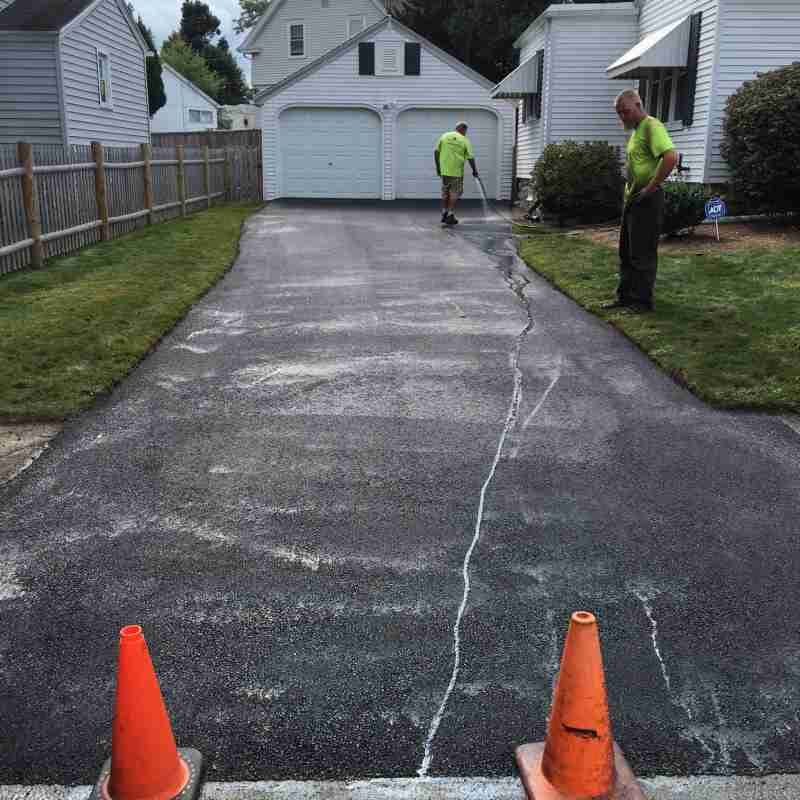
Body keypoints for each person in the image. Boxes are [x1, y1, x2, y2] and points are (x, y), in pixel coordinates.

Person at [604, 89, 678, 312]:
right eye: (619, 113)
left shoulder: (651, 126)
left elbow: (671, 156)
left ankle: (642, 301)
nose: (622, 117)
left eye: (625, 111)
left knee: (642, 253)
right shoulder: (637, 131)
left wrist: (650, 188)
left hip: (647, 199)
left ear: (638, 105)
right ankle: (625, 297)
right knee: (627, 252)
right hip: (634, 198)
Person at [434, 122, 479, 226]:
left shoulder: (444, 136)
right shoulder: (464, 140)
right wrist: (474, 170)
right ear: (463, 129)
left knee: (446, 191)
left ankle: (444, 211)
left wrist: (438, 167)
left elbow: (436, 152)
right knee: (455, 192)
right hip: (457, 172)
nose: (465, 133)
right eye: (465, 131)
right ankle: (450, 214)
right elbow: (470, 157)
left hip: (444, 171)